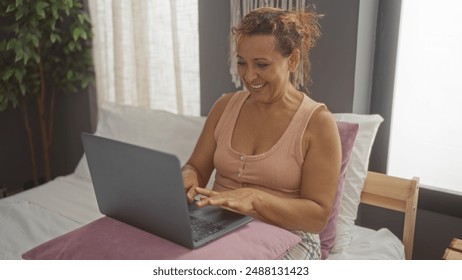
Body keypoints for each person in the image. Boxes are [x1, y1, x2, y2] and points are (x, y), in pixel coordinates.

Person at [181, 6, 341, 260]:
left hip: (289, 237)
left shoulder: (318, 123)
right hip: (219, 225)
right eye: (242, 63)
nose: (249, 75)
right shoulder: (224, 106)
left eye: (262, 64)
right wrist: (187, 177)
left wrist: (256, 199)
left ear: (293, 60)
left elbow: (316, 216)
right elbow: (196, 168)